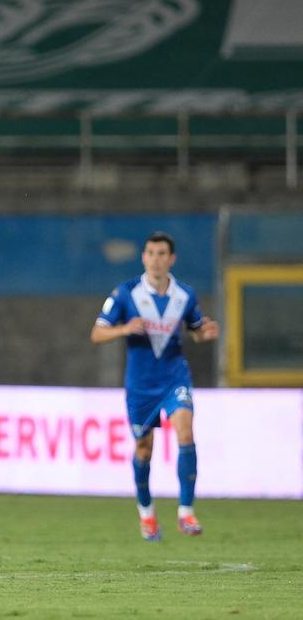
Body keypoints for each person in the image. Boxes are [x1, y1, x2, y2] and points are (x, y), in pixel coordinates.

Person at [90, 231, 220, 541]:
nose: (156, 259)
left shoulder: (185, 295)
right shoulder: (125, 293)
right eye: (150, 253)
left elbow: (195, 330)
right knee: (144, 449)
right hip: (141, 383)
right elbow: (97, 333)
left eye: (162, 253)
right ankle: (147, 515)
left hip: (175, 377)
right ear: (143, 257)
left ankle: (186, 512)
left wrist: (205, 333)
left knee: (185, 432)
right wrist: (124, 328)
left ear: (171, 259)